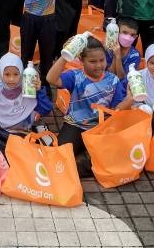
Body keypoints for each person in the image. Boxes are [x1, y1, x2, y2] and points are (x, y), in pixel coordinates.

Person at [46, 36, 122, 174]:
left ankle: (80, 168)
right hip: (75, 125)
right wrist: (65, 56)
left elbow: (117, 109)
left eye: (102, 60)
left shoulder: (114, 80)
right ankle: (80, 164)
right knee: (55, 154)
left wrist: (129, 100)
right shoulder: (75, 76)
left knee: (116, 157)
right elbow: (51, 78)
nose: (99, 65)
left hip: (101, 129)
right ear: (81, 60)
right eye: (93, 61)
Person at [0, 52, 52, 151]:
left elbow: (46, 110)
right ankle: (10, 148)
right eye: (7, 74)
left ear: (22, 73)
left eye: (16, 74)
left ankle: (2, 148)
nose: (12, 79)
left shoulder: (28, 90)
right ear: (0, 74)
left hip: (21, 134)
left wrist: (39, 91)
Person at [115, 43, 154, 115]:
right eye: (152, 63)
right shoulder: (137, 77)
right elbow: (122, 98)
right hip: (142, 118)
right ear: (147, 62)